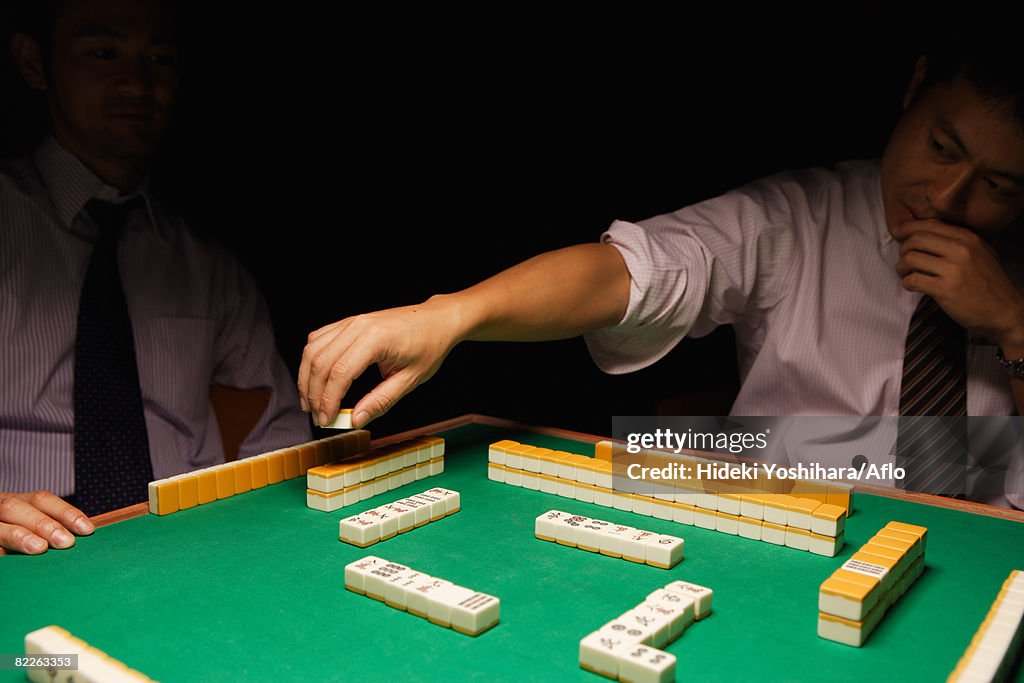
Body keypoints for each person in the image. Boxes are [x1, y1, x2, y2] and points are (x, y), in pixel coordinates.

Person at [297, 19, 1024, 508]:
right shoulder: (798, 218)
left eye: (997, 186)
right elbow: (629, 275)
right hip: (786, 531)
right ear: (913, 86)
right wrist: (454, 313)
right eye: (941, 148)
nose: (947, 198)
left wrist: (1015, 328)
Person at [0, 0, 311, 555]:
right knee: (29, 653)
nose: (137, 82)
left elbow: (279, 446)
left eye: (159, 59)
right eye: (103, 52)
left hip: (192, 547)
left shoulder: (210, 266)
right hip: (24, 550)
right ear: (33, 63)